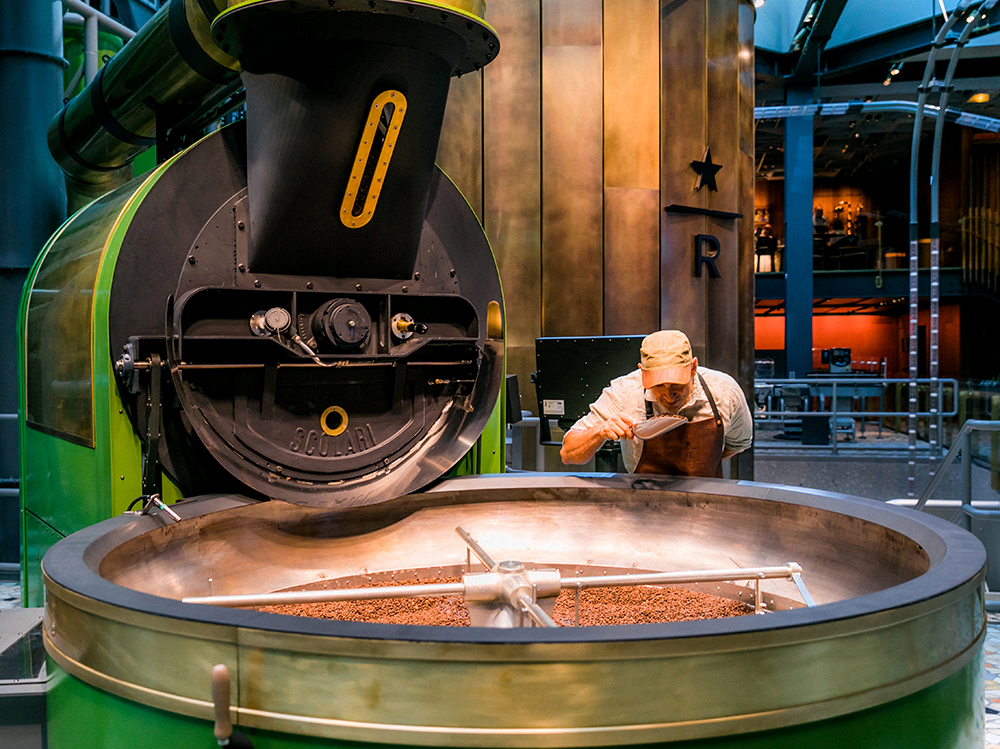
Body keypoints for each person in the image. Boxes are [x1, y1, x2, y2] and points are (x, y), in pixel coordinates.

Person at [559, 331, 753, 477]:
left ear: (693, 368)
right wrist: (599, 431)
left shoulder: (726, 393)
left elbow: (738, 443)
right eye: (659, 385)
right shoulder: (623, 393)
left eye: (677, 383)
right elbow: (568, 454)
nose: (669, 395)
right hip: (644, 506)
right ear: (642, 373)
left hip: (705, 503)